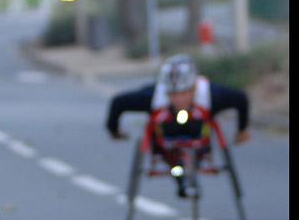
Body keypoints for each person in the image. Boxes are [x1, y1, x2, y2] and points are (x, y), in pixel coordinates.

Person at [105, 54, 250, 197]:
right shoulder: (153, 96)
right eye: (173, 94)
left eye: (184, 93)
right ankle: (180, 175)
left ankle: (189, 172)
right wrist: (114, 130)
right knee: (171, 158)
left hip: (200, 139)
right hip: (166, 143)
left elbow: (241, 98)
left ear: (194, 87)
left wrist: (242, 130)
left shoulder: (211, 94)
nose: (179, 100)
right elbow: (118, 102)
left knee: (201, 140)